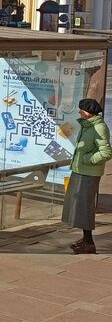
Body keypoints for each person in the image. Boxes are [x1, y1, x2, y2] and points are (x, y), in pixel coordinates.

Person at [63, 98, 111, 254]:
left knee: (85, 206)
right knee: (78, 206)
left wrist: (86, 159)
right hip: (80, 170)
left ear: (89, 112)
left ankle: (89, 243)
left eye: (81, 109)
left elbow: (106, 152)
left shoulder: (99, 127)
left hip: (88, 172)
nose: (79, 112)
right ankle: (85, 239)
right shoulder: (88, 125)